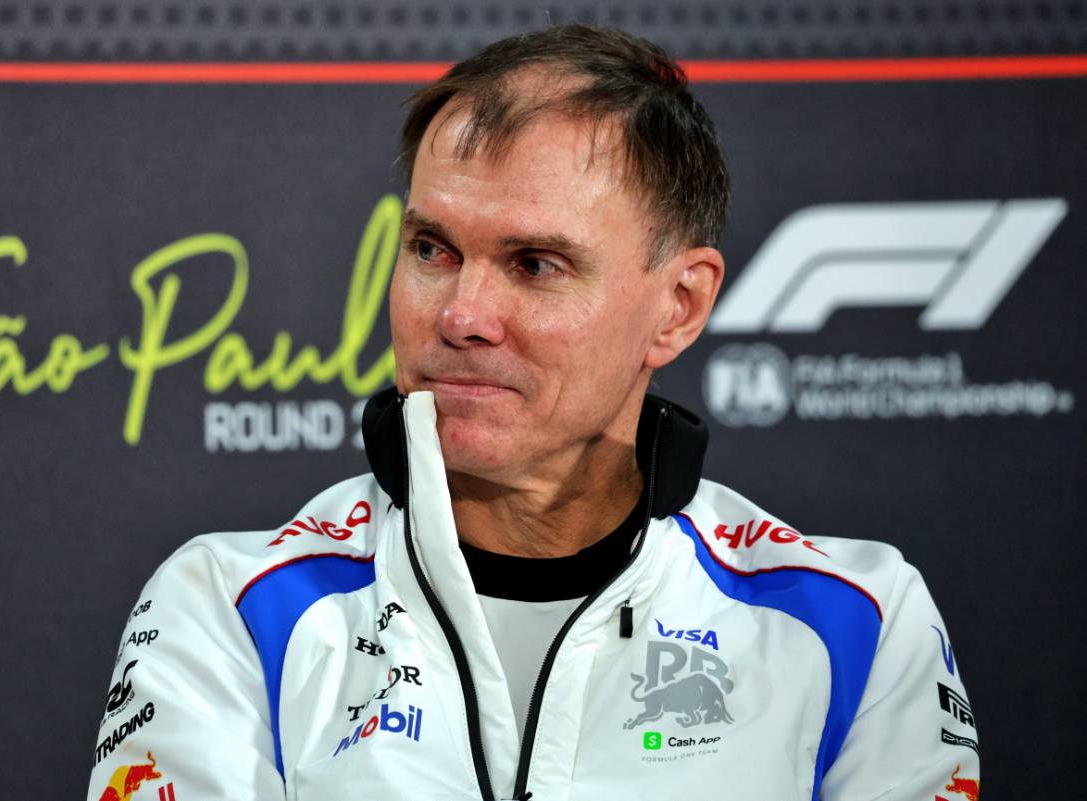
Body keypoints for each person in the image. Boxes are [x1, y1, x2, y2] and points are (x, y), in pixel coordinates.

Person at [86, 24, 979, 801]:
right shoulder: (231, 610)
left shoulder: (856, 625)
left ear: (678, 306)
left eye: (535, 265)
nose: (461, 315)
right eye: (432, 248)